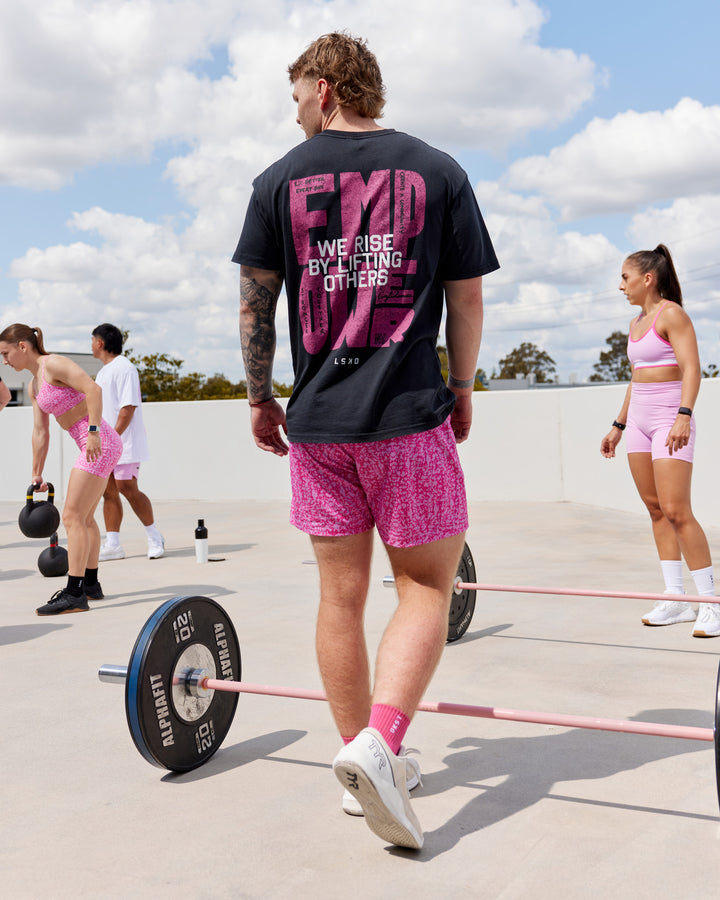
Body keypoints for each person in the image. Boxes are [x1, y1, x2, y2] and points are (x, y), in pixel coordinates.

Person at [232, 32, 498, 850]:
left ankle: (359, 763)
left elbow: (255, 307)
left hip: (319, 427)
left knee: (339, 597)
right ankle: (379, 746)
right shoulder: (438, 170)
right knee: (425, 586)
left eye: (295, 98)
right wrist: (460, 390)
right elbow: (466, 303)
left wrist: (260, 397)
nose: (295, 113)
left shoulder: (277, 180)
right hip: (408, 416)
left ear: (322, 88)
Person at [600, 244, 719, 637]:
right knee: (654, 509)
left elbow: (692, 369)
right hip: (638, 422)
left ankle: (710, 604)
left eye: (625, 277)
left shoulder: (673, 315)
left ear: (647, 278)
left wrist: (684, 415)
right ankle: (676, 598)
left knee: (677, 509)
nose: (621, 286)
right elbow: (638, 378)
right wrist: (618, 425)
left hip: (671, 418)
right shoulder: (636, 323)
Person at [0, 324, 123, 614]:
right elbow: (40, 432)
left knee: (71, 516)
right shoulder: (34, 385)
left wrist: (93, 431)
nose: (4, 360)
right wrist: (36, 473)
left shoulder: (53, 363)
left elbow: (93, 389)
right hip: (93, 444)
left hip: (99, 441)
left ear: (22, 346)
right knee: (86, 519)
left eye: (5, 353)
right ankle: (91, 585)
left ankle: (74, 593)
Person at [91, 324, 164, 560]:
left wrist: (112, 437)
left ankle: (154, 537)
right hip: (107, 443)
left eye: (92, 340)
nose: (91, 344)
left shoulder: (125, 368)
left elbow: (128, 407)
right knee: (108, 492)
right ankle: (113, 545)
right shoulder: (103, 372)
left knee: (127, 489)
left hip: (124, 442)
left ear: (100, 343)